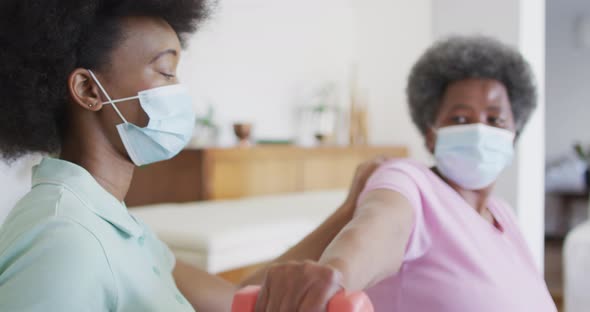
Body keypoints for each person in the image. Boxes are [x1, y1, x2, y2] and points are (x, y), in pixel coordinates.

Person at [0, 1, 383, 311]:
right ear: (88, 89)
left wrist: (348, 211)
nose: (179, 91)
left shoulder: (111, 220)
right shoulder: (64, 238)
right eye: (165, 72)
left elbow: (235, 299)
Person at [253, 36, 559, 311]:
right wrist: (335, 274)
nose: (480, 129)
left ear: (513, 134)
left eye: (495, 119)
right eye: (461, 117)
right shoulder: (408, 180)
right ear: (431, 135)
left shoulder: (502, 214)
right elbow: (380, 226)